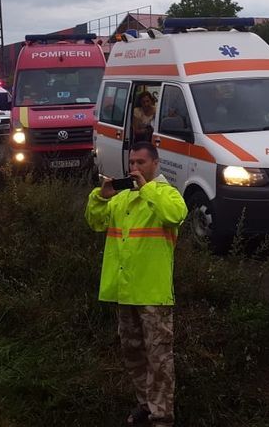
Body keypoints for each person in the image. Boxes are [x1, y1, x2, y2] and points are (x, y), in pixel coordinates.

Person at [85, 143, 187, 426]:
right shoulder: (122, 199)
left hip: (153, 293)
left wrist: (147, 189)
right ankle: (146, 404)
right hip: (125, 291)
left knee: (159, 358)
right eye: (132, 163)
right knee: (133, 354)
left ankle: (162, 416)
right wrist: (100, 197)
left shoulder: (167, 194)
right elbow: (95, 222)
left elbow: (174, 215)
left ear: (155, 164)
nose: (134, 168)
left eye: (141, 162)